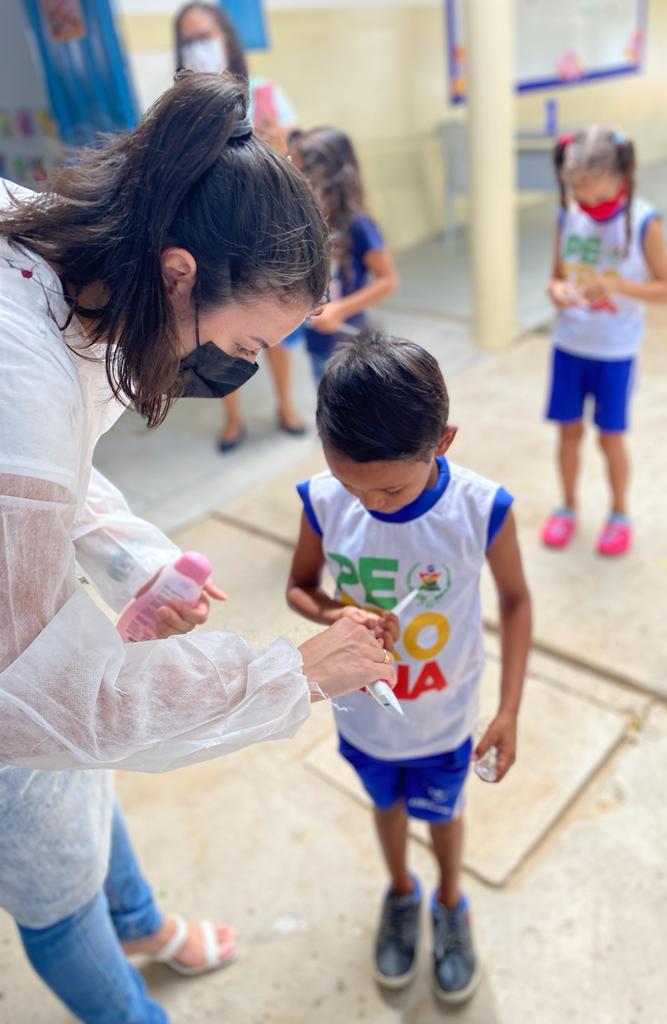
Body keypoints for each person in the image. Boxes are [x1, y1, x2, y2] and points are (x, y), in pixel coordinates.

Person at [0, 72, 395, 1024]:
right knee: (52, 885)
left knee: (80, 802)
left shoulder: (64, 259)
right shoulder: (23, 380)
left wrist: (135, 560)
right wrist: (292, 673)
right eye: (249, 344)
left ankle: (138, 921)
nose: (243, 368)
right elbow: (40, 702)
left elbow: (48, 474)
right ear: (179, 273)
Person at [286, 333, 531, 1003]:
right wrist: (339, 612)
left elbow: (515, 602)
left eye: (391, 488)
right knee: (385, 805)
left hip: (444, 717)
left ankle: (451, 902)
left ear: (442, 443)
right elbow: (301, 587)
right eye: (351, 484)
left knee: (444, 813)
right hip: (364, 716)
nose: (370, 503)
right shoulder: (324, 500)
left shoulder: (480, 509)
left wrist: (509, 710)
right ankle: (401, 891)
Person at [174, 0, 307, 448]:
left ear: (226, 39)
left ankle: (285, 404)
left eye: (204, 37)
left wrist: (278, 142)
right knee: (217, 331)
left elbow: (299, 157)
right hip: (210, 234)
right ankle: (231, 417)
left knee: (273, 325)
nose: (197, 47)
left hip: (265, 232)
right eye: (187, 41)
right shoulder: (181, 105)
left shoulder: (266, 93)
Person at [541, 125, 667, 556]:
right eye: (580, 196)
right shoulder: (568, 213)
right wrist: (557, 291)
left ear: (622, 177)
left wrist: (619, 285)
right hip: (569, 344)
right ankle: (566, 506)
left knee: (610, 438)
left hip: (615, 351)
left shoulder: (645, 221)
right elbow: (555, 277)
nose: (589, 204)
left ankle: (619, 513)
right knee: (567, 435)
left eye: (598, 196)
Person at [292, 127, 398, 386]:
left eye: (302, 171)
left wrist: (340, 310)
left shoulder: (359, 224)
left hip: (351, 344)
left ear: (327, 176)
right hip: (317, 344)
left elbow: (388, 281)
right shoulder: (306, 222)